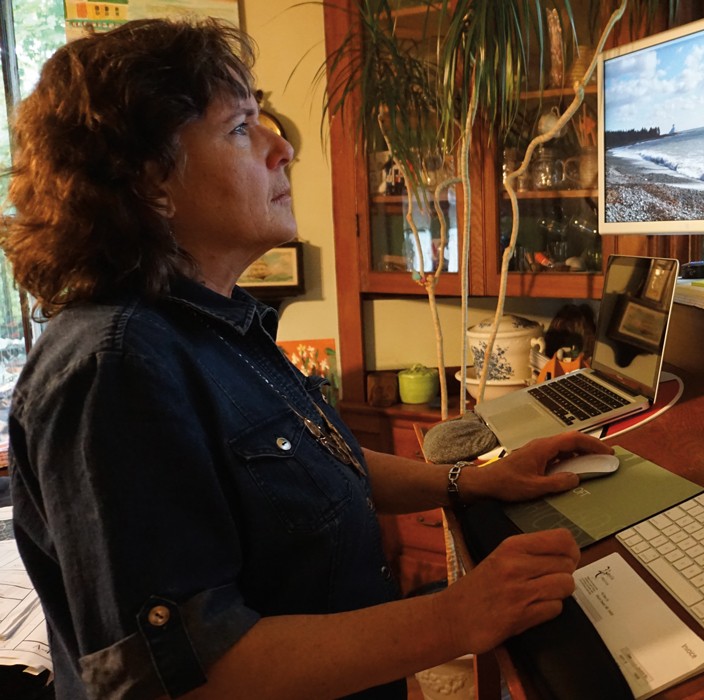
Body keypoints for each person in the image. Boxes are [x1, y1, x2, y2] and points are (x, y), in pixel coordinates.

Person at [1, 18, 611, 699]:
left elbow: (319, 463)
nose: (283, 146)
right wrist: (456, 617)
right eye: (239, 128)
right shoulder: (113, 369)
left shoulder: (219, 325)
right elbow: (193, 675)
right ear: (150, 183)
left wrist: (468, 481)